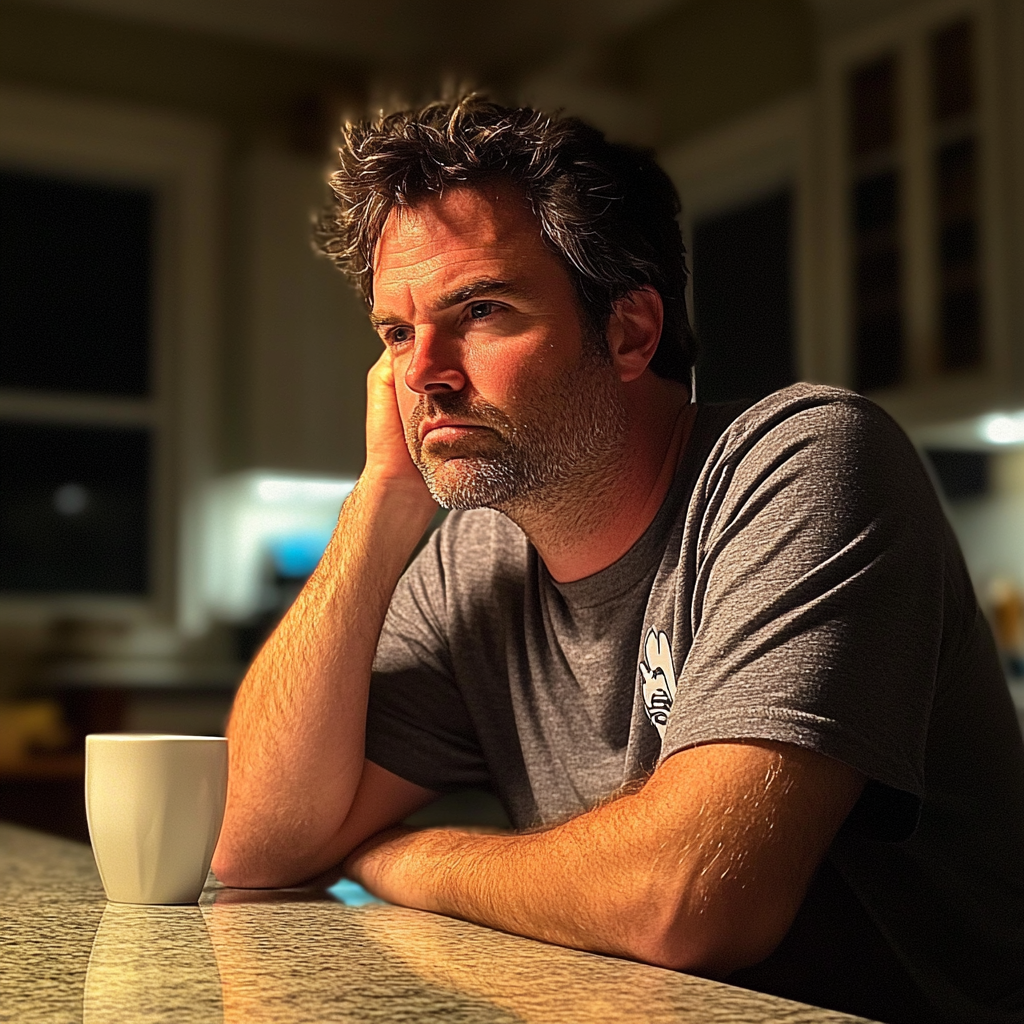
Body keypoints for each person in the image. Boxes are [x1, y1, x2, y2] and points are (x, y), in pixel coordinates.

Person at [212, 96, 1024, 1024]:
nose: (422, 373)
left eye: (480, 310)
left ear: (631, 332)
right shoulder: (473, 557)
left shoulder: (802, 463)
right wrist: (380, 502)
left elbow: (683, 903)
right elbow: (249, 839)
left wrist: (406, 855)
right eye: (396, 333)